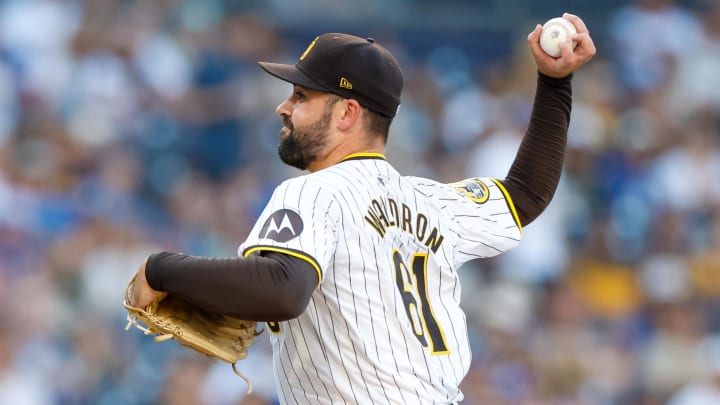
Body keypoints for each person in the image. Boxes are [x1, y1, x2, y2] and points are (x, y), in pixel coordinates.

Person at [128, 13, 596, 404]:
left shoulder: (314, 192)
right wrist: (555, 86)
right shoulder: (431, 202)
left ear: (347, 114)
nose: (283, 107)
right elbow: (525, 195)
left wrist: (161, 268)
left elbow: (282, 291)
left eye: (302, 96)